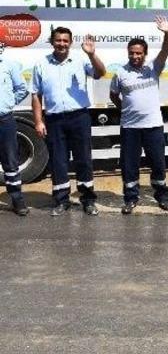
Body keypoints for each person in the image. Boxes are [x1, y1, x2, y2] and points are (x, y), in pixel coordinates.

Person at [31, 27, 106, 216]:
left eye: (65, 41)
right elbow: (36, 95)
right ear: (52, 41)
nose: (62, 44)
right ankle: (61, 200)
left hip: (79, 117)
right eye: (58, 40)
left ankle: (88, 200)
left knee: (83, 160)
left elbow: (100, 73)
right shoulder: (41, 64)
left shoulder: (81, 61)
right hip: (54, 120)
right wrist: (39, 121)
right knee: (58, 162)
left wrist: (92, 54)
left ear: (70, 43)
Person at [109, 17, 168, 215]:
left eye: (138, 53)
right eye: (131, 53)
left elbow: (165, 51)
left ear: (145, 54)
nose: (135, 56)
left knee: (158, 164)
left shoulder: (153, 69)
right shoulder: (120, 72)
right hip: (130, 128)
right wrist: (125, 109)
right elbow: (113, 95)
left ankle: (162, 197)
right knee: (130, 166)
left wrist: (167, 34)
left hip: (153, 126)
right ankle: (130, 199)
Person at [0, 44, 29, 216]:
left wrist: (8, 103)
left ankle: (17, 200)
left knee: (10, 161)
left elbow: (22, 89)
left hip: (5, 120)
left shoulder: (9, 64)